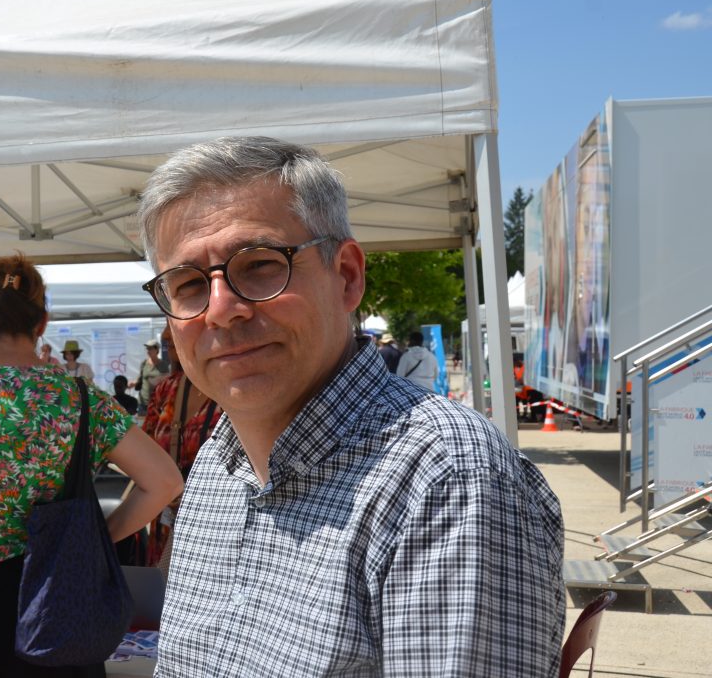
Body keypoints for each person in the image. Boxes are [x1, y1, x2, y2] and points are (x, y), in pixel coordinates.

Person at [138, 136, 565, 677]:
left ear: (346, 276)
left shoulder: (445, 480)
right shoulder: (218, 465)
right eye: (188, 284)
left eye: (260, 265)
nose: (221, 310)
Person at [0, 253, 183, 677]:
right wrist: (99, 538)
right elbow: (164, 481)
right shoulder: (78, 396)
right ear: (42, 324)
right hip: (60, 594)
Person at [139, 326, 221, 568]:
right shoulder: (166, 390)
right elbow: (146, 453)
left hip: (214, 530)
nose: (165, 335)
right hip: (167, 525)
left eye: (173, 323)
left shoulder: (234, 390)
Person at [131, 338, 166, 413]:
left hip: (157, 404)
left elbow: (167, 382)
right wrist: (132, 384)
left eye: (150, 348)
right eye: (147, 349)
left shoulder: (163, 365)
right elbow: (140, 379)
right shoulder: (144, 363)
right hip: (143, 403)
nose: (148, 351)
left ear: (156, 350)